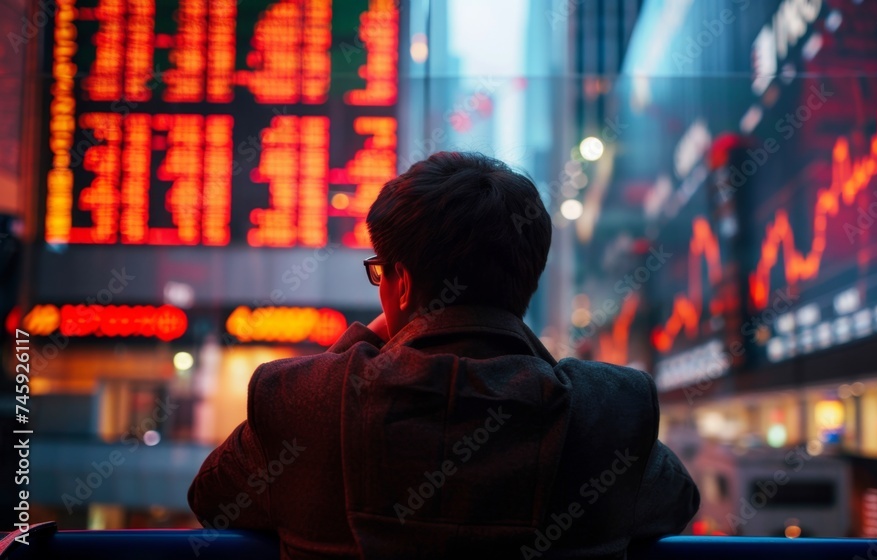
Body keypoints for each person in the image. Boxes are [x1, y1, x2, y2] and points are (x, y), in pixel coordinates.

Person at [188, 152, 699, 559]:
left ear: (402, 282)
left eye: (381, 271)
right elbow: (678, 504)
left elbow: (211, 497)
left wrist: (360, 344)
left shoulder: (303, 402)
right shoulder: (606, 412)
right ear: (528, 278)